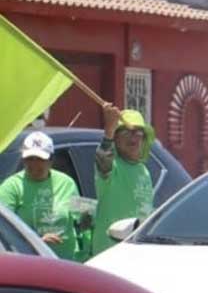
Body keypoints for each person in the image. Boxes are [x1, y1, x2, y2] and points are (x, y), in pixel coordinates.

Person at [0, 132, 82, 261]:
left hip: (68, 262)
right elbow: (4, 232)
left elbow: (82, 218)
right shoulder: (11, 187)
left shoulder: (66, 183)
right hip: (31, 263)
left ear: (51, 160)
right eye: (29, 159)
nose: (34, 164)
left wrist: (88, 218)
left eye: (40, 159)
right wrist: (37, 242)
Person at [92, 104, 156, 256]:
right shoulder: (113, 165)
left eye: (138, 132)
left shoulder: (143, 171)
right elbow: (103, 159)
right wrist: (108, 131)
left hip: (137, 252)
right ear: (116, 137)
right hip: (110, 253)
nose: (133, 136)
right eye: (126, 131)